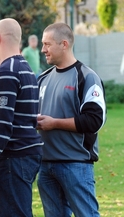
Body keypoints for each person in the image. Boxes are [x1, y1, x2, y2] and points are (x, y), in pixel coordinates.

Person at [37, 22, 106, 217]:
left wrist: (54, 123)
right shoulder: (42, 78)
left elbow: (94, 121)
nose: (43, 50)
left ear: (64, 44)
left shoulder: (86, 77)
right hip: (45, 165)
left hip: (75, 164)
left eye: (47, 44)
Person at [0, 18, 43, 217]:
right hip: (25, 153)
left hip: (14, 156)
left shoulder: (7, 71)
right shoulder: (25, 68)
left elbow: (2, 123)